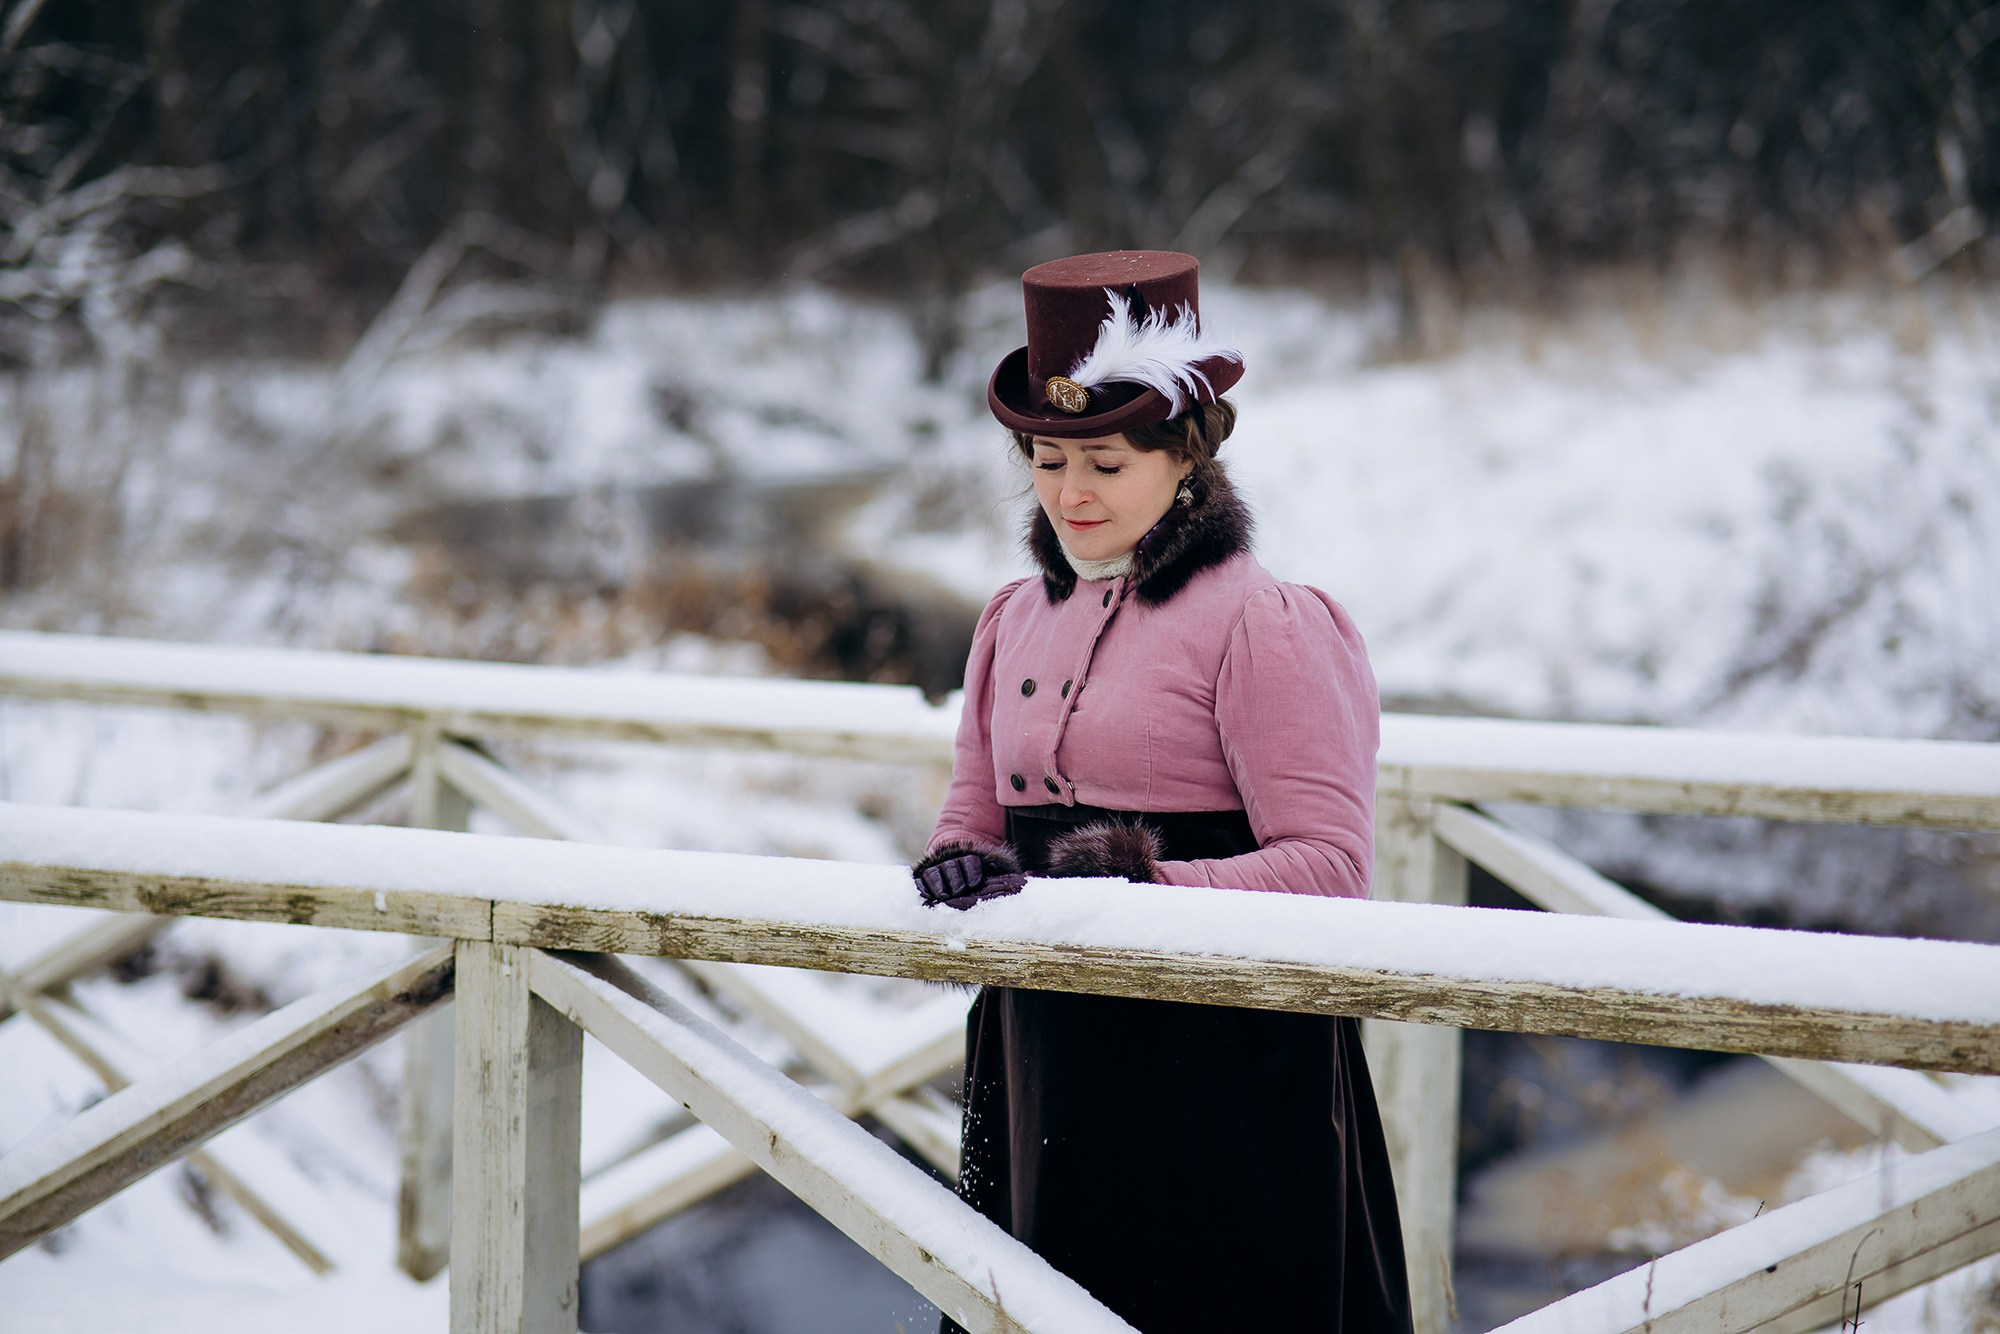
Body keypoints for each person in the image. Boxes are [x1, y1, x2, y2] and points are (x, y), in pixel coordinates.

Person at [910, 250, 1413, 1333]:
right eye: (1044, 459)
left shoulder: (1263, 621)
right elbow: (972, 814)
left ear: (1182, 455)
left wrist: (1144, 883)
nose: (1067, 492)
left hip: (1217, 1071)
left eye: (1102, 460)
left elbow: (1330, 869)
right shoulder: (1008, 618)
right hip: (1043, 1055)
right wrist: (962, 862)